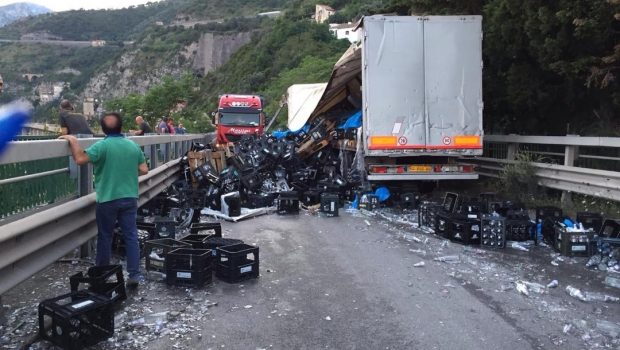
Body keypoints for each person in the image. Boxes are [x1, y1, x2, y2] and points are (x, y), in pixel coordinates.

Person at [59, 112, 148, 287]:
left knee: (105, 237)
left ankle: (101, 275)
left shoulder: (102, 146)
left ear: (103, 129)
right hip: (129, 197)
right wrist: (127, 173)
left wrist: (73, 140)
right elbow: (144, 170)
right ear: (121, 126)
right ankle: (134, 275)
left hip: (108, 199)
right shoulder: (132, 146)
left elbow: (80, 159)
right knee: (131, 236)